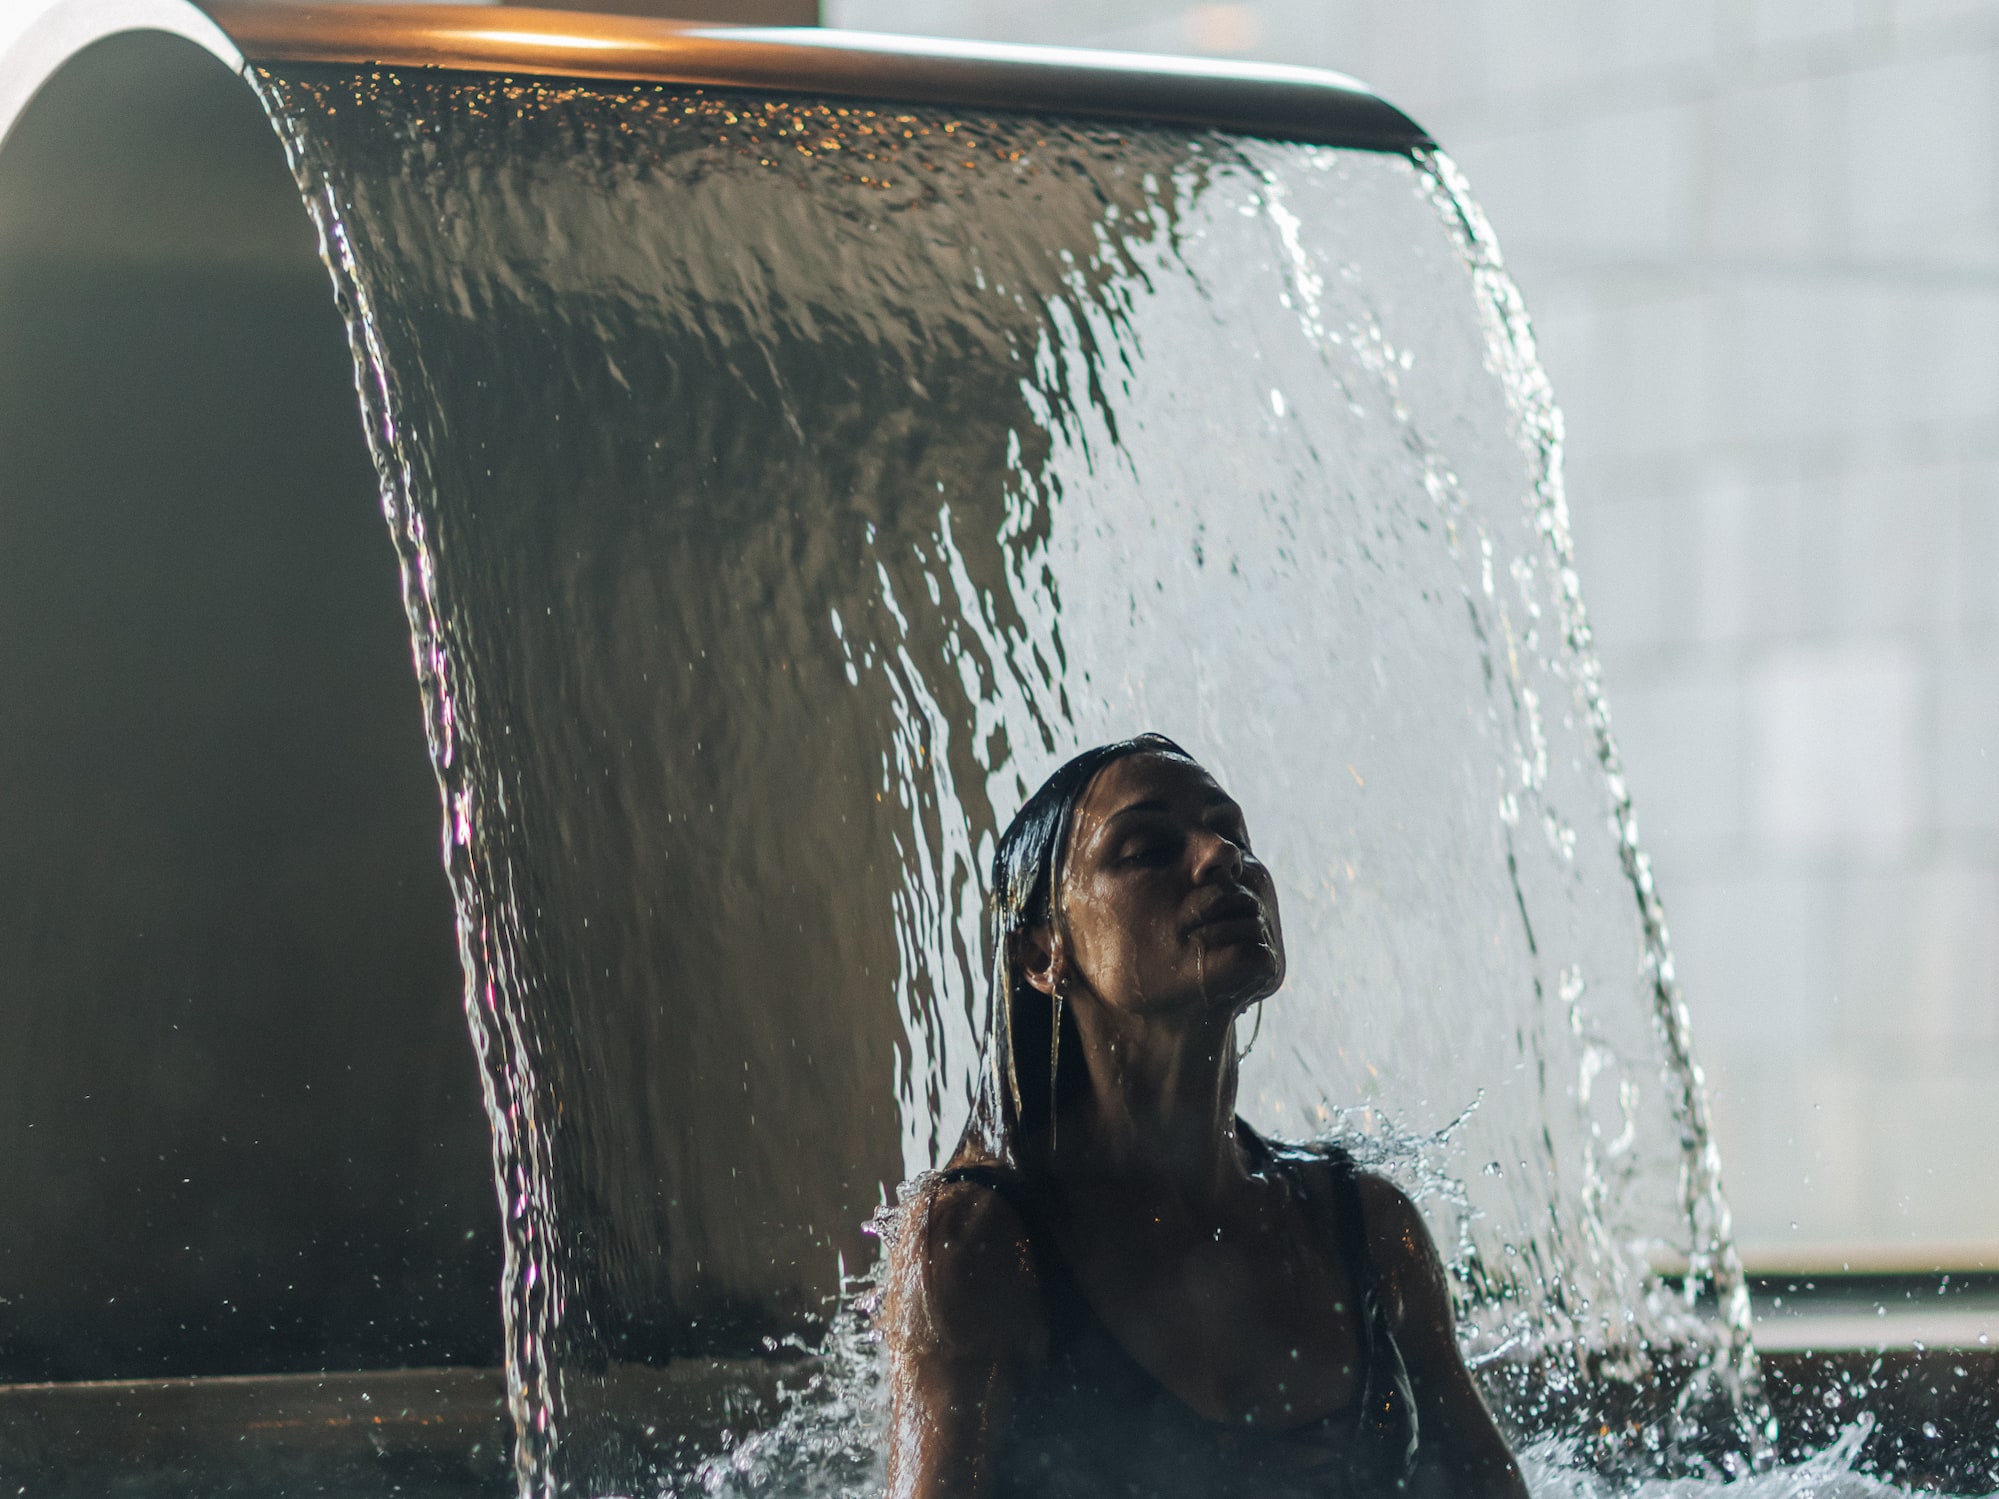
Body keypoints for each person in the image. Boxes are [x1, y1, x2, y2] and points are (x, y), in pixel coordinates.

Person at [880, 734, 1528, 1499]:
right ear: (1042, 953)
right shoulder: (976, 1247)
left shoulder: (1368, 1230)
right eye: (1145, 847)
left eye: (1235, 834)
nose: (1222, 856)